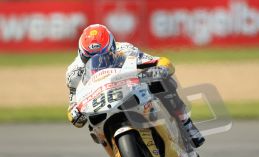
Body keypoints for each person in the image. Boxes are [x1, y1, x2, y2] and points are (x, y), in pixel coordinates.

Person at [66, 24, 204, 148]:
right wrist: (74, 113)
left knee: (162, 81)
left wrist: (159, 69)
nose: (96, 61)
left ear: (112, 47)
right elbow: (74, 108)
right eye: (88, 58)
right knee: (92, 126)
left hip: (128, 90)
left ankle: (186, 123)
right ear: (80, 53)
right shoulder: (74, 73)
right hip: (101, 103)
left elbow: (160, 62)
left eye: (103, 56)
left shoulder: (125, 50)